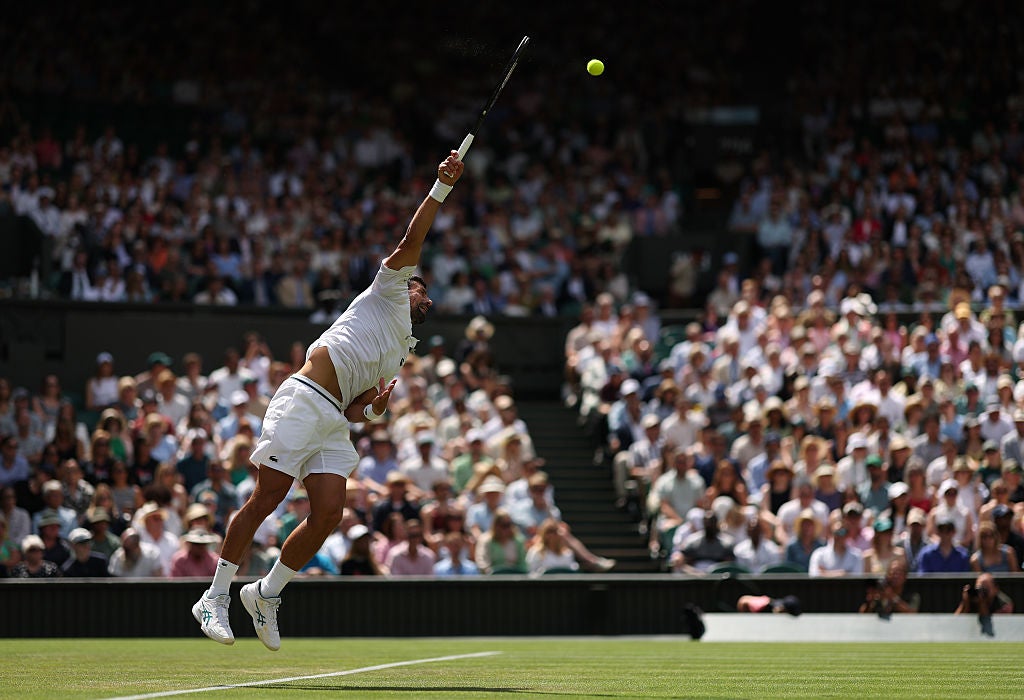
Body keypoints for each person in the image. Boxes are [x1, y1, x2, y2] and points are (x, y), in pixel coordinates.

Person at [193, 150, 465, 650]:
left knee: (328, 514)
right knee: (269, 496)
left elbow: (360, 408)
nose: (426, 298)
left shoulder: (401, 351)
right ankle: (214, 596)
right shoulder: (388, 287)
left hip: (334, 419)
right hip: (303, 399)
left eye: (427, 297)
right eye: (422, 291)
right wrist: (441, 187)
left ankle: (266, 593)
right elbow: (414, 238)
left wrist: (377, 408)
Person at [955, 572, 1014, 636]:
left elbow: (994, 627)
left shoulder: (1004, 604)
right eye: (980, 588)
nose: (983, 591)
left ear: (996, 589)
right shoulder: (972, 598)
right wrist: (965, 603)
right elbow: (955, 623)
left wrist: (982, 603)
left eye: (986, 588)